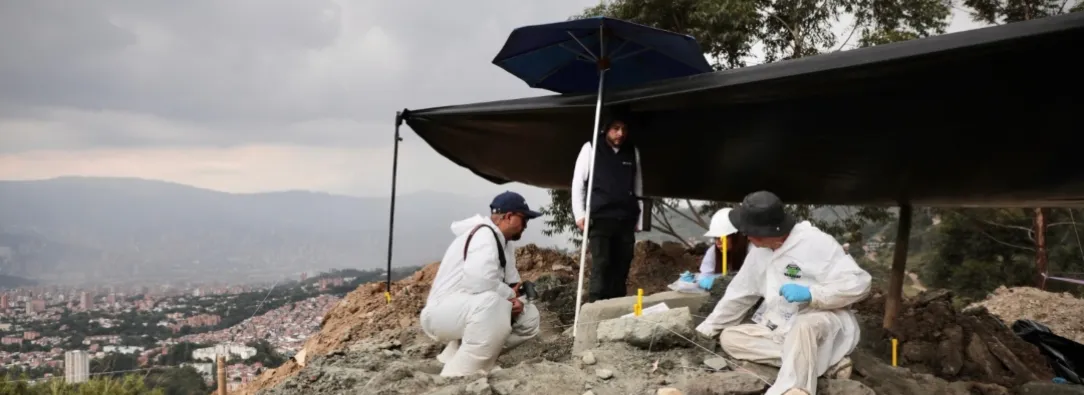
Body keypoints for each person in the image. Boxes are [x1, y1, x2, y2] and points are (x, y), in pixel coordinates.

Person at [695, 191, 872, 395]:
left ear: (771, 230)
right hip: (780, 327)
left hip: (821, 321)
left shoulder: (816, 243)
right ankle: (828, 363)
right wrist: (706, 329)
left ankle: (794, 390)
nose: (748, 237)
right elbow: (739, 294)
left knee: (804, 326)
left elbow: (859, 283)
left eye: (753, 232)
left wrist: (813, 294)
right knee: (730, 338)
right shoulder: (759, 251)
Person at [420, 191, 542, 377]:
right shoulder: (484, 236)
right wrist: (509, 297)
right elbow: (480, 282)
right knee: (493, 304)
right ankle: (458, 375)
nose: (526, 226)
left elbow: (511, 284)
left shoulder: (504, 243)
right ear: (508, 217)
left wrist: (516, 298)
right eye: (524, 219)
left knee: (529, 317)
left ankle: (457, 357)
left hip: (466, 310)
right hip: (439, 314)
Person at [571, 111, 643, 302]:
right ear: (606, 129)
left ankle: (616, 305)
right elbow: (578, 183)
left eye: (624, 129)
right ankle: (596, 305)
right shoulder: (591, 148)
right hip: (601, 217)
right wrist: (579, 215)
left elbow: (638, 185)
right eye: (616, 129)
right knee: (601, 263)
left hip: (626, 218)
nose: (620, 133)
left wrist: (639, 218)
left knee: (623, 264)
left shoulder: (632, 150)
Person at [683, 208, 751, 290]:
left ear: (736, 236)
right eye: (716, 238)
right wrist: (701, 281)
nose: (718, 242)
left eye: (722, 238)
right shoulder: (713, 251)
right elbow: (705, 275)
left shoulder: (752, 250)